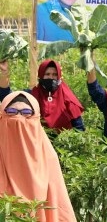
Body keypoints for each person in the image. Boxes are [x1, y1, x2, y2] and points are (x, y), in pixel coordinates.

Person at [0, 91, 76, 221]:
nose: (19, 118)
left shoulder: (48, 157)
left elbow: (57, 203)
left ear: (36, 117)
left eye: (26, 113)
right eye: (11, 112)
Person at [0, 59, 85, 132]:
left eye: (54, 74)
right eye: (47, 74)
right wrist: (4, 73)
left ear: (59, 76)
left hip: (62, 145)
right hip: (37, 143)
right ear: (41, 76)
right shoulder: (32, 95)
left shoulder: (67, 97)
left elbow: (79, 127)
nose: (51, 77)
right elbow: (7, 98)